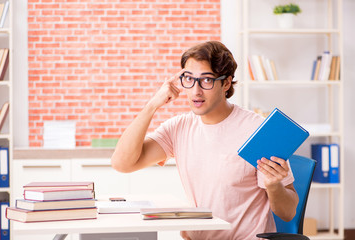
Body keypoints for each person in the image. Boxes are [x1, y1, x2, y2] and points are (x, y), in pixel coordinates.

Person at [111, 41, 299, 240]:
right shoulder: (179, 128)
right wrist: (152, 105)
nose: (196, 91)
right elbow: (122, 164)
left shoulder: (257, 131)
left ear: (226, 83)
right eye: (189, 79)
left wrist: (273, 186)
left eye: (207, 80)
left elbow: (288, 213)